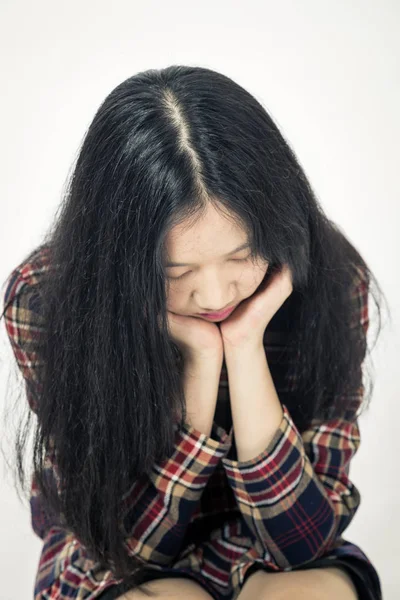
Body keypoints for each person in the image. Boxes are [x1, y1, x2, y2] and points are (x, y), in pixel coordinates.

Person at [1, 65, 386, 600]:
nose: (213, 296)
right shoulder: (48, 299)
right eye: (174, 274)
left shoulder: (332, 280)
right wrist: (200, 367)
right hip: (111, 558)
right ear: (120, 259)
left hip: (271, 552)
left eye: (242, 255)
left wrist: (245, 346)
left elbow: (303, 545)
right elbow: (127, 548)